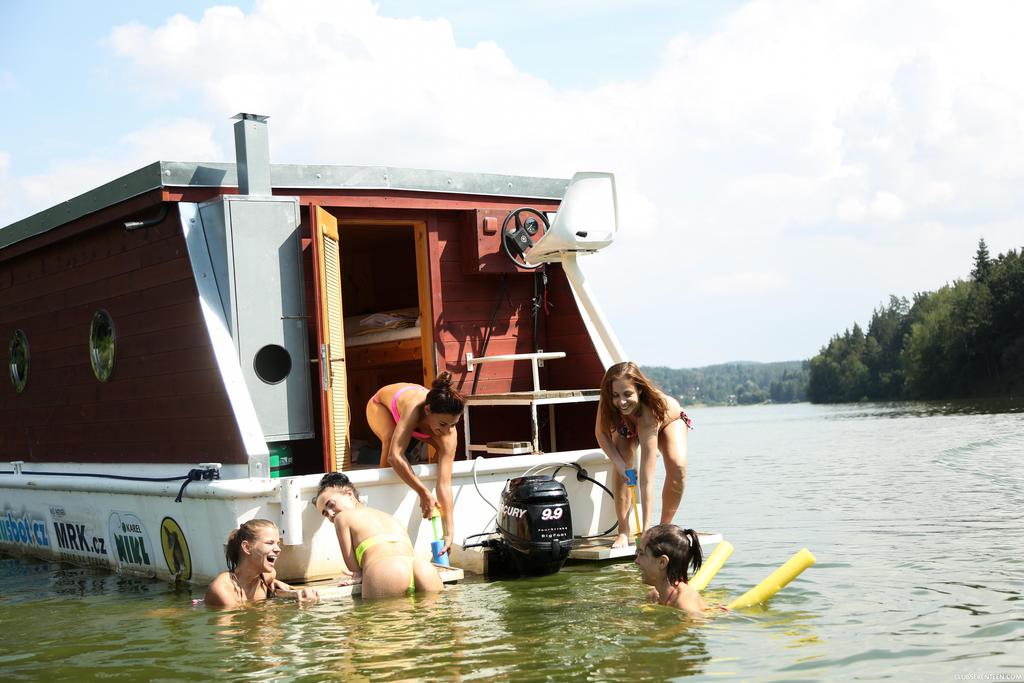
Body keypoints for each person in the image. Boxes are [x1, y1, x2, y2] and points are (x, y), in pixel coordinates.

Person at [595, 361, 692, 548]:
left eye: (627, 394)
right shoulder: (608, 400)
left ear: (639, 390)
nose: (621, 401)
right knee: (623, 466)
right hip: (628, 425)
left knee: (678, 466)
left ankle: (663, 529)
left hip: (667, 422)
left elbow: (647, 480)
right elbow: (601, 434)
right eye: (616, 395)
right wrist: (621, 466)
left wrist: (647, 530)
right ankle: (623, 531)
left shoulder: (649, 413)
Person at [366, 372, 465, 555]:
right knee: (390, 439)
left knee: (443, 449)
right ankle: (382, 498)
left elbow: (444, 483)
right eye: (443, 424)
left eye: (453, 424)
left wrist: (449, 532)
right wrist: (423, 492)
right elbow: (395, 456)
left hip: (422, 422)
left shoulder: (449, 433)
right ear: (428, 410)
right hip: (380, 406)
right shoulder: (414, 408)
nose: (447, 430)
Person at [314, 472, 444, 599]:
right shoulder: (391, 518)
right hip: (423, 568)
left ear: (349, 494)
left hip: (386, 571)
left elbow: (354, 568)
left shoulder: (342, 517)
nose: (331, 514)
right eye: (325, 513)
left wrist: (358, 575)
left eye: (331, 505)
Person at [204, 519, 319, 608]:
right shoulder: (222, 590)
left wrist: (285, 589)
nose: (278, 549)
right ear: (247, 547)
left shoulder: (267, 576)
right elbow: (230, 632)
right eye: (270, 543)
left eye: (278, 543)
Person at [635, 524, 707, 615]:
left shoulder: (685, 605)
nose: (636, 561)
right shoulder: (654, 595)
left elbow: (698, 620)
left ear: (662, 562)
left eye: (641, 554)